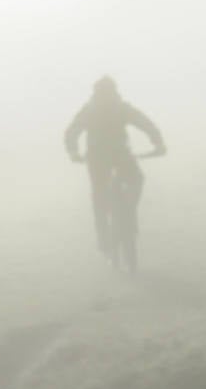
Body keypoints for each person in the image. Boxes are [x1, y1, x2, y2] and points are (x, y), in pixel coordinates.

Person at [64, 76, 166, 260]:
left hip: (97, 160)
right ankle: (128, 210)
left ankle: (104, 240)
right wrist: (158, 144)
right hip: (122, 156)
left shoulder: (89, 110)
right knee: (136, 180)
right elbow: (146, 124)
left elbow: (72, 131)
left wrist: (73, 152)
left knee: (99, 197)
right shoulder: (122, 108)